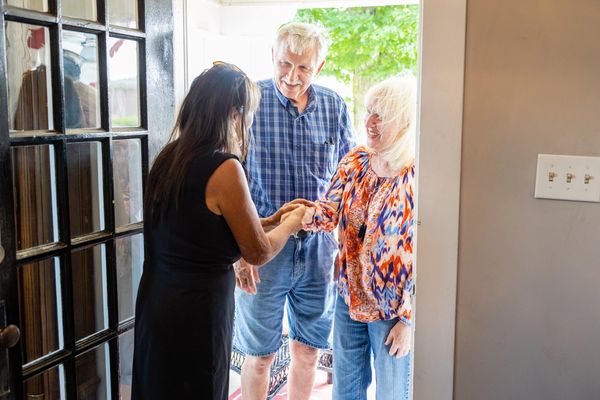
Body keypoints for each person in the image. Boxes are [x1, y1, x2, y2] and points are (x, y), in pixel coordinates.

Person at [131, 63, 308, 400]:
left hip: (158, 302)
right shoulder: (224, 167)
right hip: (197, 312)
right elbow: (256, 251)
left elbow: (204, 229)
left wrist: (272, 219)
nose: (250, 122)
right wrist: (292, 222)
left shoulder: (170, 157)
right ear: (232, 113)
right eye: (250, 113)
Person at [233, 22, 355, 400]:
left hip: (318, 250)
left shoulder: (334, 106)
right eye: (285, 63)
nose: (292, 76)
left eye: (303, 68)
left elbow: (346, 183)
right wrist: (239, 252)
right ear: (273, 55)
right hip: (261, 246)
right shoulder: (248, 102)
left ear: (319, 66)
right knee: (259, 355)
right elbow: (227, 181)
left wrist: (346, 246)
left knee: (308, 351)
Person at [299, 75, 417, 400]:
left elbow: (430, 252)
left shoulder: (418, 174)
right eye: (367, 112)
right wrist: (293, 215)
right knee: (346, 390)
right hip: (348, 296)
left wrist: (409, 320)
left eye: (381, 116)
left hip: (393, 309)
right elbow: (326, 213)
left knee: (393, 394)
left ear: (405, 122)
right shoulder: (355, 161)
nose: (369, 122)